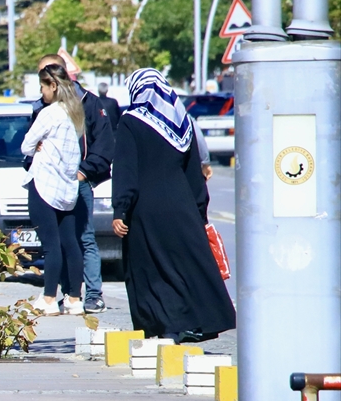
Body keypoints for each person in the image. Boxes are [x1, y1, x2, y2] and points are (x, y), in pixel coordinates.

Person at [112, 68, 235, 342]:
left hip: (145, 208)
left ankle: (164, 325)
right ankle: (191, 323)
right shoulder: (183, 123)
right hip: (182, 206)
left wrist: (120, 209)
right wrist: (199, 211)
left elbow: (125, 170)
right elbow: (195, 172)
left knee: (152, 269)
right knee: (183, 265)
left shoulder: (130, 121)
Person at [33, 53, 114, 314]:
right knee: (59, 241)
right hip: (49, 183)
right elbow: (31, 146)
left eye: (48, 74)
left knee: (84, 238)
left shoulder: (88, 102)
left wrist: (84, 173)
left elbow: (103, 143)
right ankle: (68, 293)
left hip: (76, 180)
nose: (44, 81)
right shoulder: (41, 106)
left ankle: (91, 295)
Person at [21, 64, 85, 316]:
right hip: (68, 188)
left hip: (44, 184)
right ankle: (74, 298)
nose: (41, 92)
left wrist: (38, 144)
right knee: (70, 242)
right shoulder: (75, 112)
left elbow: (26, 145)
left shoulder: (49, 113)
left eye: (43, 87)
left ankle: (48, 298)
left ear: (54, 85)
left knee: (50, 245)